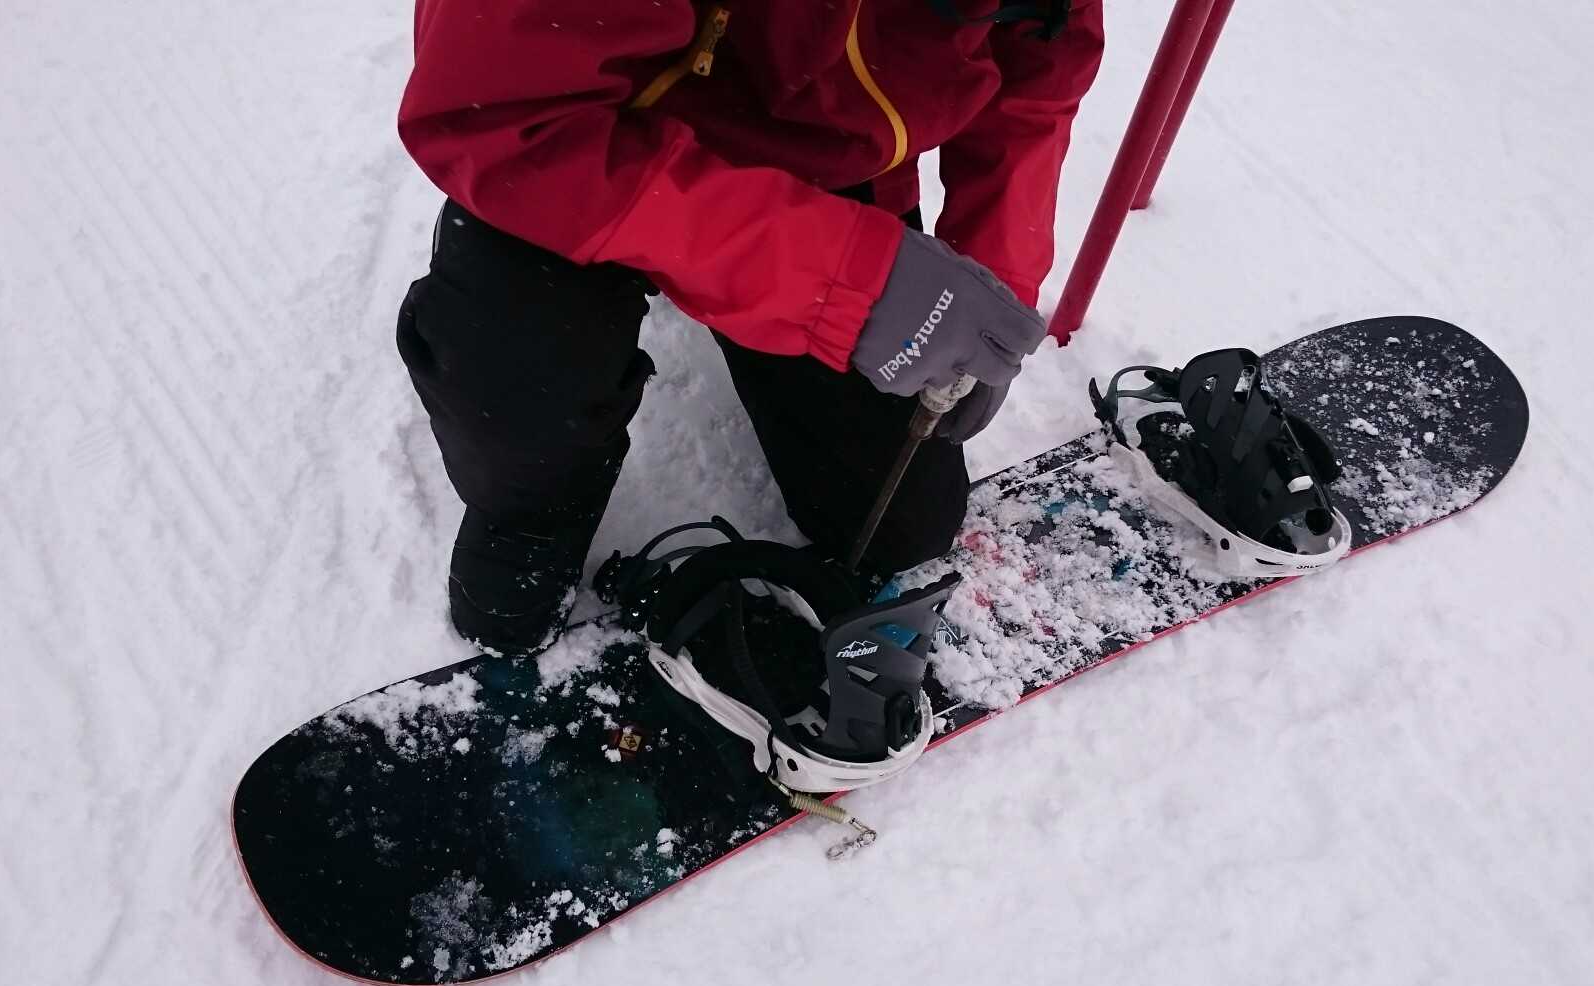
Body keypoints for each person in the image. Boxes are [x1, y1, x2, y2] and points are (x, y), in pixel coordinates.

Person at [394, 0, 1105, 655]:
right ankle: (536, 506)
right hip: (583, 145)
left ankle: (760, 284)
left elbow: (1039, 66)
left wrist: (988, 284)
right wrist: (846, 280)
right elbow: (498, 119)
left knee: (900, 527)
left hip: (824, 161)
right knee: (519, 366)